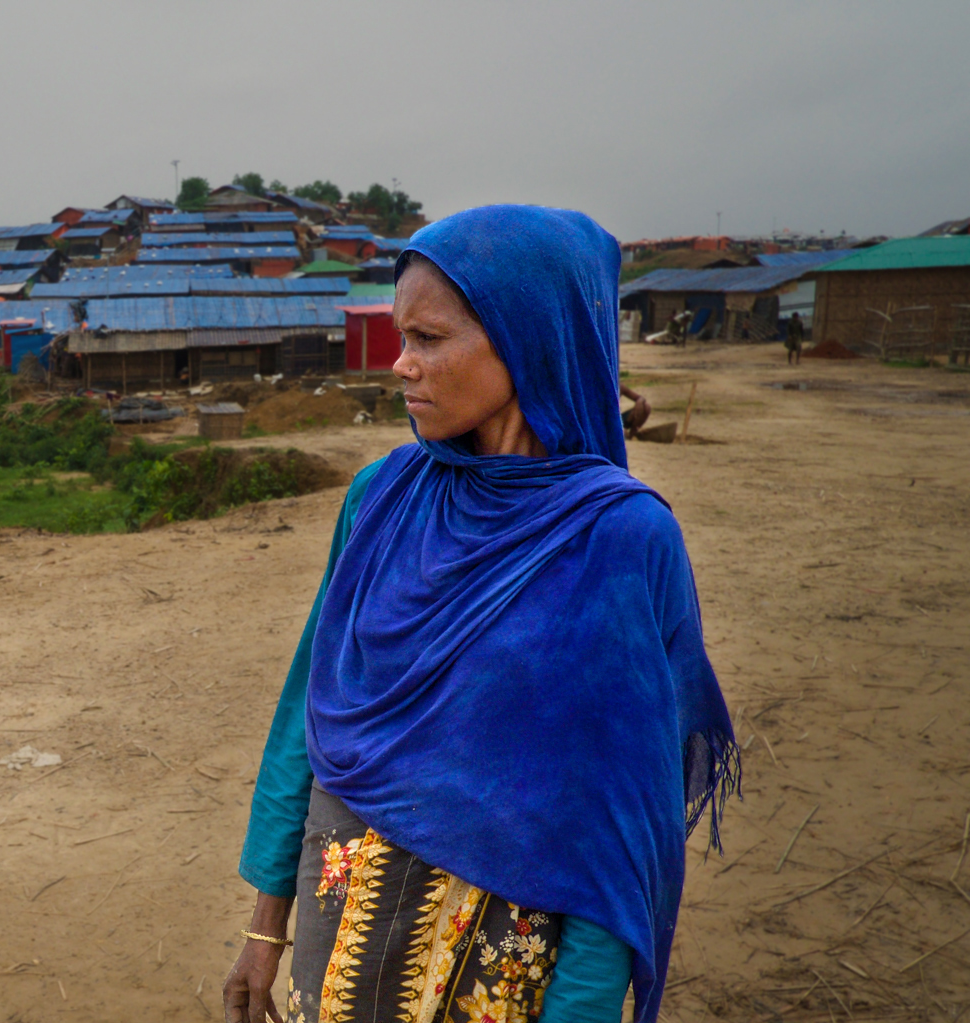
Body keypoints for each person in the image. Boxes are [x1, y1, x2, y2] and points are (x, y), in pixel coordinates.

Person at [222, 206, 736, 1023]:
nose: (401, 365)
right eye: (401, 338)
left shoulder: (618, 540)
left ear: (528, 338)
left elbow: (616, 829)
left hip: (496, 981)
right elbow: (304, 722)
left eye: (427, 339)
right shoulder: (380, 500)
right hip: (336, 959)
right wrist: (265, 923)